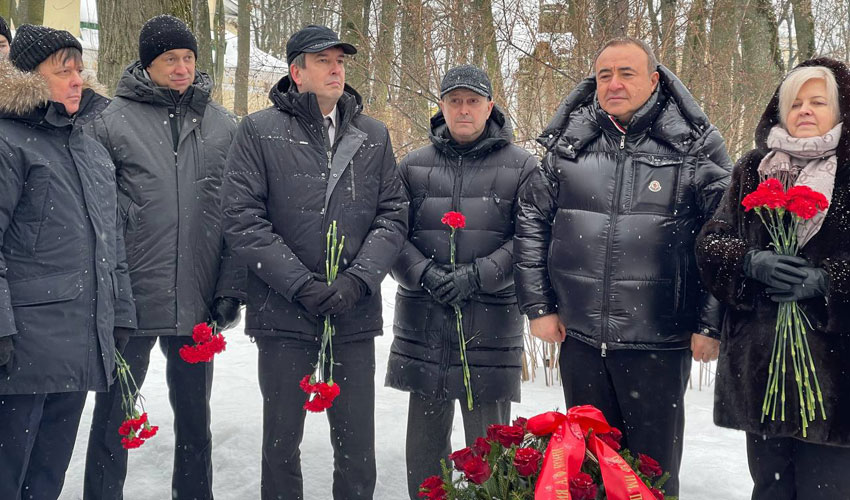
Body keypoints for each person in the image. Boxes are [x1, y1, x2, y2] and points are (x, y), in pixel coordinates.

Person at [514, 37, 732, 495]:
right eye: (605, 75)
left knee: (651, 476)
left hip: (658, 341)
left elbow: (723, 234)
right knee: (587, 472)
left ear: (653, 80)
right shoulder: (570, 143)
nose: (614, 83)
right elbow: (532, 219)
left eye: (626, 73)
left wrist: (710, 324)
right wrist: (539, 307)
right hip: (579, 338)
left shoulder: (694, 145)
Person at [221, 24, 407, 500]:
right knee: (281, 444)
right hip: (284, 313)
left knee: (357, 447)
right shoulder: (258, 131)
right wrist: (300, 284)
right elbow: (242, 219)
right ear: (296, 72)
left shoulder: (373, 134)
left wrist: (358, 281)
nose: (336, 69)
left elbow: (392, 215)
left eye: (340, 61)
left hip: (352, 313)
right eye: (323, 60)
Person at [83, 15, 244, 500]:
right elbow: (96, 217)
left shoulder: (222, 124)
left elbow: (238, 213)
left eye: (188, 58)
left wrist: (230, 287)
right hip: (131, 299)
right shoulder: (109, 122)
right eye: (170, 58)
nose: (181, 68)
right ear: (147, 64)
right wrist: (109, 292)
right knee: (114, 418)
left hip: (198, 299)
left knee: (196, 421)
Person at [695, 58, 850, 499]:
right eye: (795, 103)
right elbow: (711, 243)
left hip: (834, 372)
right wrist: (750, 261)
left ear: (840, 109)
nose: (805, 110)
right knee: (770, 488)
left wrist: (828, 280)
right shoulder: (753, 169)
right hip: (763, 368)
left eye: (817, 101)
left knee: (828, 490)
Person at [384, 64, 537, 499]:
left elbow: (530, 238)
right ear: (442, 106)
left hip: (489, 324)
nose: (463, 109)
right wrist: (424, 273)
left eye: (473, 101)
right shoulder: (413, 166)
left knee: (490, 452)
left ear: (490, 106)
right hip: (425, 322)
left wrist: (479, 275)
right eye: (455, 101)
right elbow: (390, 233)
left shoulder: (522, 167)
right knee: (425, 452)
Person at [0, 25, 136, 500]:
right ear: (28, 78)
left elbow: (110, 243)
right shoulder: (7, 144)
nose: (78, 79)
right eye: (63, 71)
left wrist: (121, 312)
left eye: (80, 69)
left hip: (76, 345)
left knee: (47, 479)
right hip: (20, 352)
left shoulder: (91, 151)